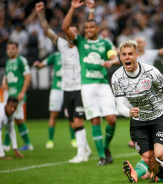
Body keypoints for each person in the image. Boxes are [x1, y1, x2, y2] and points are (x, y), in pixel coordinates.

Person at [112, 40, 163, 184]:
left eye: (130, 54)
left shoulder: (150, 71)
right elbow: (119, 105)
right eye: (124, 55)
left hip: (159, 117)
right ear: (120, 57)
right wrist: (129, 112)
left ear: (137, 55)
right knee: (149, 159)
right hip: (138, 121)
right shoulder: (117, 77)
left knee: (160, 154)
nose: (127, 57)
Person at [62, 0, 120, 165]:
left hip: (102, 85)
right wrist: (73, 8)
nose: (88, 30)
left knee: (111, 119)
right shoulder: (81, 42)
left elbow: (115, 57)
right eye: (86, 28)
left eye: (91, 27)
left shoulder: (105, 43)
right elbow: (65, 27)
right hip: (87, 85)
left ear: (98, 30)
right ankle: (102, 156)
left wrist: (111, 62)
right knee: (95, 120)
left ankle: (106, 147)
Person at [35, 2, 92, 163]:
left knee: (79, 120)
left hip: (79, 88)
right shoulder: (61, 45)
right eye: (69, 32)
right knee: (73, 121)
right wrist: (40, 13)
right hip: (65, 89)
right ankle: (85, 148)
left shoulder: (81, 46)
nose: (71, 34)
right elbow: (47, 30)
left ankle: (81, 154)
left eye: (74, 32)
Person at [33, 52, 77, 149]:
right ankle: (50, 140)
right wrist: (38, 66)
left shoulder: (73, 54)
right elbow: (42, 64)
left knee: (70, 114)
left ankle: (73, 139)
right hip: (56, 88)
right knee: (53, 114)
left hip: (68, 88)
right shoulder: (55, 55)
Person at [2, 41, 33, 151]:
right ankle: (28, 144)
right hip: (9, 96)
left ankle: (6, 144)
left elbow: (28, 77)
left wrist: (23, 92)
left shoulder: (21, 60)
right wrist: (4, 83)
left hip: (17, 96)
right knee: (18, 120)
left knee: (9, 118)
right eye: (9, 48)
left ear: (17, 50)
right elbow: (6, 75)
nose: (10, 50)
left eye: (13, 48)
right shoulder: (8, 62)